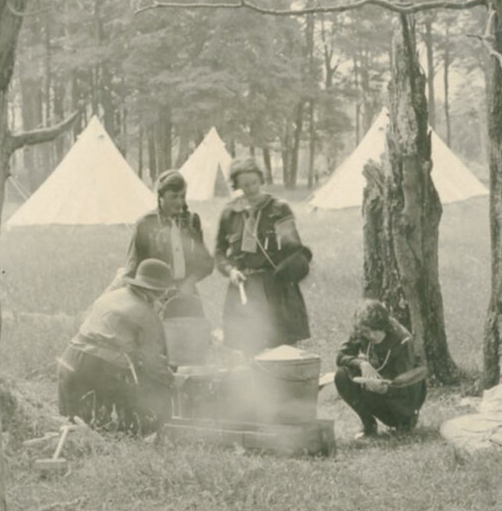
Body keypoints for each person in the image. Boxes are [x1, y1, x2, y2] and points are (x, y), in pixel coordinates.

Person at [56, 258, 180, 433]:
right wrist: (172, 381)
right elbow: (153, 362)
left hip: (70, 360)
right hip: (98, 368)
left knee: (72, 427)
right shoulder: (146, 314)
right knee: (109, 430)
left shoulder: (111, 295)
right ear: (159, 291)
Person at [213, 155, 310, 355]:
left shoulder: (277, 209)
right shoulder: (230, 213)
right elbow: (220, 252)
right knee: (249, 345)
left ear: (261, 180)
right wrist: (230, 271)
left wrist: (288, 270)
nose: (250, 189)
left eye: (254, 183)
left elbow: (294, 248)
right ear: (237, 185)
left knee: (282, 345)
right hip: (244, 286)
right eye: (244, 185)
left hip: (275, 285)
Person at [122, 170, 214, 318]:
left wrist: (191, 281)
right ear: (160, 197)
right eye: (173, 197)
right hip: (154, 294)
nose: (179, 202)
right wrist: (145, 296)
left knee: (196, 334)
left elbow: (206, 262)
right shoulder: (145, 224)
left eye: (182, 196)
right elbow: (132, 269)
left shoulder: (191, 221)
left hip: (186, 293)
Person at [332, 299, 428, 438]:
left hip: (402, 395)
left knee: (404, 395)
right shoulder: (362, 330)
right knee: (342, 375)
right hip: (377, 387)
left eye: (376, 331)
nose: (371, 336)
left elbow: (405, 381)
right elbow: (341, 356)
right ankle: (368, 425)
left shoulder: (402, 339)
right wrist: (362, 364)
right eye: (366, 332)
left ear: (384, 326)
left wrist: (384, 388)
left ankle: (405, 423)